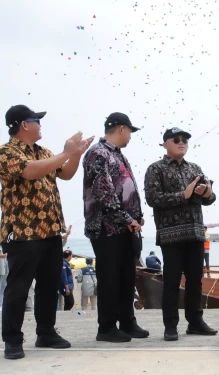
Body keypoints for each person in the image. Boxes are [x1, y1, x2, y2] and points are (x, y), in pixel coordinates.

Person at [0, 105, 93, 360]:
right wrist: (65, 152)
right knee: (18, 286)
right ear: (23, 124)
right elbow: (30, 171)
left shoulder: (44, 152)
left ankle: (46, 332)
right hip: (21, 233)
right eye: (35, 120)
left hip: (51, 230)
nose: (40, 125)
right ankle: (12, 339)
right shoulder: (6, 152)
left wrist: (74, 155)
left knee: (48, 284)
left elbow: (65, 174)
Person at [144, 127, 218, 341]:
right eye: (176, 139)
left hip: (195, 233)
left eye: (185, 139)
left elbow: (207, 199)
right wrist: (183, 195)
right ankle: (170, 325)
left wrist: (208, 193)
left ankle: (195, 322)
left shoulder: (195, 168)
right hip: (171, 236)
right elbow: (153, 198)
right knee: (172, 281)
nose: (181, 142)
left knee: (196, 281)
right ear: (165, 144)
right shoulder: (155, 169)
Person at [83, 112, 149, 343]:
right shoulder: (97, 153)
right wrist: (126, 218)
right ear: (121, 129)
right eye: (130, 131)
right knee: (110, 277)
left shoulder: (117, 155)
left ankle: (127, 321)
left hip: (124, 228)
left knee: (126, 276)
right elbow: (104, 193)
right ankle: (107, 327)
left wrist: (136, 217)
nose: (130, 136)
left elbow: (125, 189)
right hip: (107, 228)